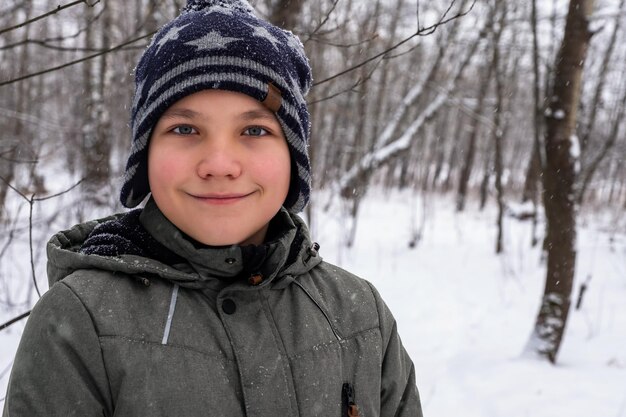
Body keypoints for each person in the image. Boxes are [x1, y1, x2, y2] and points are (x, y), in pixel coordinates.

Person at [2, 1, 422, 416]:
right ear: (144, 157)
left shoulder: (359, 314)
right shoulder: (81, 321)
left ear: (293, 158)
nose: (219, 164)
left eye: (254, 130)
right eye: (185, 129)